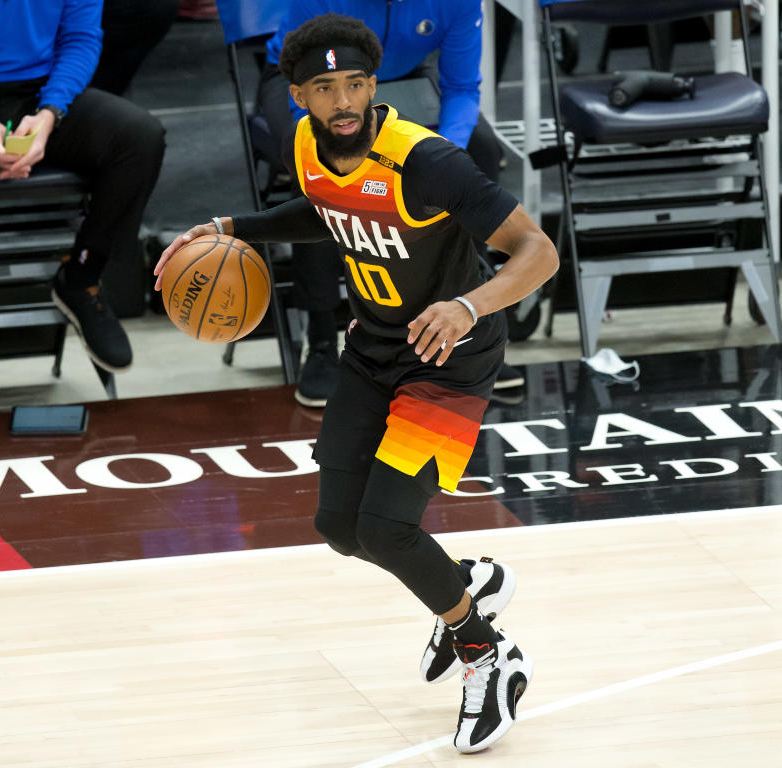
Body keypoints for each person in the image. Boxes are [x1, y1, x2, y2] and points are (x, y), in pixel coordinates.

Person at [155, 14, 558, 753]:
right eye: (324, 88)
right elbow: (326, 210)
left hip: (449, 355)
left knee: (386, 528)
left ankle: (488, 657)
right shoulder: (303, 143)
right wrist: (230, 228)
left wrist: (469, 303)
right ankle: (463, 584)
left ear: (375, 85)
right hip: (374, 348)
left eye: (356, 84)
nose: (343, 101)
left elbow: (538, 251)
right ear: (298, 94)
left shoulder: (427, 161)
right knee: (340, 528)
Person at [255, 0, 523, 408]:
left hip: (401, 80)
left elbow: (462, 88)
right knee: (318, 175)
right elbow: (315, 101)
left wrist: (443, 161)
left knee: (480, 153)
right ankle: (322, 339)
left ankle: (466, 323)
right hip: (315, 82)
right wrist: (338, 148)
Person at [0, 0, 166, 385]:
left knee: (139, 138)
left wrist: (50, 112)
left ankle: (81, 279)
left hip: (37, 95)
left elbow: (81, 39)